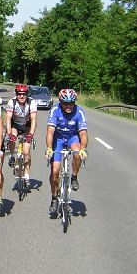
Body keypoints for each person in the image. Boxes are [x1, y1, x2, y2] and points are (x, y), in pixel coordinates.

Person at [45, 88, 88, 217]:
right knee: (55, 171)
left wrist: (83, 149)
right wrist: (49, 148)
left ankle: (74, 177)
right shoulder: (55, 110)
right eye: (65, 103)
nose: (68, 106)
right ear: (61, 102)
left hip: (72, 137)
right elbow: (50, 131)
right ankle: (54, 198)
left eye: (71, 103)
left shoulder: (79, 111)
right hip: (58, 138)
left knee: (77, 152)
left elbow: (83, 133)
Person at [5, 84, 37, 187]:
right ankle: (12, 156)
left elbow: (33, 120)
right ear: (16, 95)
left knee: (26, 152)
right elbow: (8, 118)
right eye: (19, 94)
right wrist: (9, 133)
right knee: (12, 138)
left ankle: (27, 175)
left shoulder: (32, 102)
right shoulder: (12, 102)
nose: (22, 96)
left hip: (27, 126)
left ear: (27, 95)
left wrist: (31, 134)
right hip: (15, 125)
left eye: (24, 94)